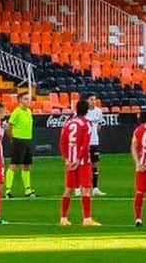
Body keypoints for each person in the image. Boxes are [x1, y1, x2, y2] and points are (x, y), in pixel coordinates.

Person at [59, 96, 100, 227]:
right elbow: (85, 143)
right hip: (82, 161)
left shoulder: (68, 123)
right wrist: (78, 159)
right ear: (87, 110)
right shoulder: (87, 124)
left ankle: (63, 218)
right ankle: (87, 219)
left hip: (70, 160)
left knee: (68, 189)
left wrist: (66, 158)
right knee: (86, 189)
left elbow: (62, 142)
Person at [5, 90, 36, 199]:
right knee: (14, 164)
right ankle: (8, 190)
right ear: (20, 100)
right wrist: (12, 139)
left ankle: (28, 189)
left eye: (29, 99)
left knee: (27, 165)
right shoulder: (16, 112)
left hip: (27, 140)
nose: (28, 101)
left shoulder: (28, 111)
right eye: (25, 99)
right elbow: (9, 126)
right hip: (19, 140)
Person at [86, 95, 106, 195]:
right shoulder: (82, 111)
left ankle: (95, 188)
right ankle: (78, 187)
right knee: (82, 165)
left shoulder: (98, 111)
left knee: (95, 164)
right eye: (91, 100)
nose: (94, 101)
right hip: (84, 143)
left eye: (95, 99)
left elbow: (99, 126)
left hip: (94, 141)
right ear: (87, 100)